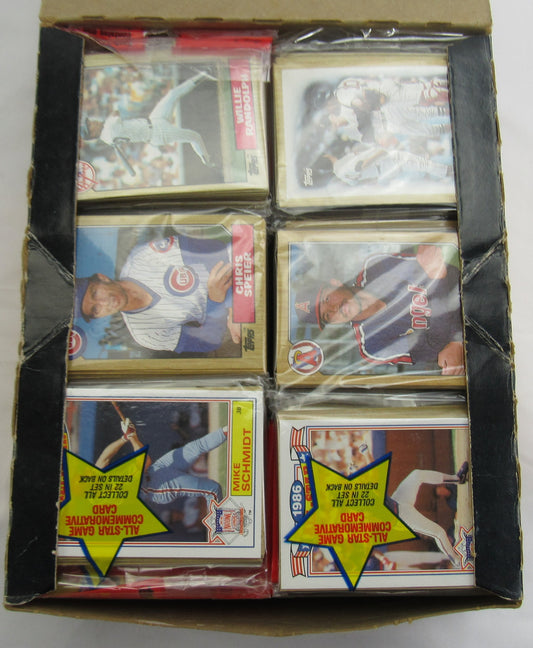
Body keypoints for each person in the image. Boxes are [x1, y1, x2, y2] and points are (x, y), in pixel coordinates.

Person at [294, 244, 464, 375]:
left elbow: (448, 272)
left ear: (335, 283)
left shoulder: (375, 267)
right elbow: (433, 348)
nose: (333, 309)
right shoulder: (371, 347)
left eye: (327, 299)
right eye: (327, 315)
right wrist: (437, 282)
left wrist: (455, 338)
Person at [74, 233, 241, 354]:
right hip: (231, 319)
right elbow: (208, 342)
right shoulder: (144, 335)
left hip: (240, 270)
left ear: (102, 278)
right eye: (95, 309)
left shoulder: (141, 258)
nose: (104, 303)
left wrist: (232, 305)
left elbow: (215, 250)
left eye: (95, 294)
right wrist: (215, 302)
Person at [81, 71, 215, 173]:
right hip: (158, 133)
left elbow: (114, 116)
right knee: (195, 137)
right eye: (90, 125)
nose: (93, 122)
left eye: (90, 122)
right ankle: (207, 160)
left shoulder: (106, 137)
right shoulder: (108, 130)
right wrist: (107, 120)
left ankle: (204, 74)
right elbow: (116, 112)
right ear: (92, 133)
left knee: (172, 95)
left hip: (154, 120)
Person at [96, 417, 228, 507]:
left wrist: (124, 438)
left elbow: (104, 458)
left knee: (196, 447)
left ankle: (229, 430)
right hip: (158, 487)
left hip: (156, 469)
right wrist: (132, 437)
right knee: (212, 489)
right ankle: (220, 530)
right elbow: (144, 462)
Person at [386, 463, 469, 568]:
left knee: (416, 475)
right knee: (439, 533)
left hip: (397, 500)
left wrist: (367, 457)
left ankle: (457, 479)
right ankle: (456, 561)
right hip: (400, 517)